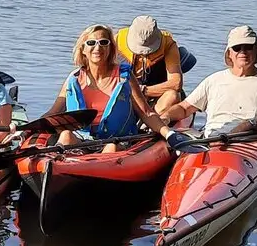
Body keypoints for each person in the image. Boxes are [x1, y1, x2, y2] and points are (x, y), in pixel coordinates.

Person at [43, 24, 170, 152]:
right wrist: (26, 132)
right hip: (81, 139)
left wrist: (169, 134)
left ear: (111, 48)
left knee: (111, 148)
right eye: (91, 43)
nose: (97, 47)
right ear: (83, 49)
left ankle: (95, 168)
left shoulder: (124, 77)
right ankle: (58, 165)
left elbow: (146, 113)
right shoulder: (74, 78)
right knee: (66, 135)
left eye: (104, 42)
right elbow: (53, 113)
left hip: (116, 140)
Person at [158, 25, 257, 138]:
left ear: (256, 50)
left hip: (250, 142)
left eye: (248, 47)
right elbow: (184, 108)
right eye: (237, 47)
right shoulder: (214, 80)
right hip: (213, 140)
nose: (243, 52)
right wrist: (167, 116)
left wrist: (250, 124)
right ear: (229, 53)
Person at [116, 15, 185, 113]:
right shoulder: (116, 40)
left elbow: (176, 83)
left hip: (155, 95)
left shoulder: (168, 44)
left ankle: (150, 121)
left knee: (173, 96)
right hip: (126, 92)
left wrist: (143, 91)